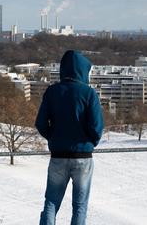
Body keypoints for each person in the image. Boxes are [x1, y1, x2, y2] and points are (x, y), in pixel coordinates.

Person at [35, 50, 104, 225]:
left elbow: (41, 123)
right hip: (82, 157)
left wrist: (54, 138)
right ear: (83, 70)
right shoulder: (88, 93)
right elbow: (97, 127)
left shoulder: (52, 92)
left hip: (58, 156)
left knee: (51, 202)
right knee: (80, 206)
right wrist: (90, 142)